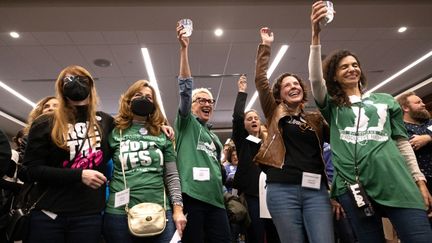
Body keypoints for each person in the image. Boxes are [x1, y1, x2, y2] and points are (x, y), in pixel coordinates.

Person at [308, 1, 432, 242]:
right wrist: (315, 33)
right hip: (353, 187)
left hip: (396, 181)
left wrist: (420, 181)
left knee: (420, 237)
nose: (351, 69)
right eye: (344, 67)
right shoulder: (332, 106)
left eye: (355, 65)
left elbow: (402, 143)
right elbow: (314, 80)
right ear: (334, 75)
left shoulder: (385, 100)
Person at [253, 27, 334, 243]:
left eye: (296, 83)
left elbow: (339, 143)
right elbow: (261, 81)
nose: (293, 86)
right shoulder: (274, 112)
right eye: (287, 85)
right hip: (282, 189)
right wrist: (266, 47)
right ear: (279, 94)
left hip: (316, 190)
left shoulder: (315, 119)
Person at [21, 65, 115, 243]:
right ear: (61, 88)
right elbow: (30, 170)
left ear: (91, 86)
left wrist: (161, 126)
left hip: (89, 215)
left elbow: (130, 129)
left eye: (81, 79)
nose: (76, 83)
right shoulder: (45, 122)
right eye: (69, 80)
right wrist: (79, 175)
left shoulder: (106, 122)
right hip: (49, 213)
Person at [103, 79, 187, 242]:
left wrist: (178, 210)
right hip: (119, 213)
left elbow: (172, 176)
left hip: (160, 211)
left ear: (154, 104)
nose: (144, 99)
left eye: (149, 97)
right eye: (138, 95)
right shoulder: (114, 131)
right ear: (128, 100)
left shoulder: (163, 134)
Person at [174, 22, 231, 243]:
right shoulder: (186, 123)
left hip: (216, 200)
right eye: (202, 100)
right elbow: (185, 89)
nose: (207, 104)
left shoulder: (215, 138)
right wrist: (184, 49)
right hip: (192, 198)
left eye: (210, 101)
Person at [231, 75, 280, 243]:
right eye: (249, 118)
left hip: (273, 193)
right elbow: (237, 118)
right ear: (244, 125)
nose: (253, 120)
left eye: (256, 118)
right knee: (256, 235)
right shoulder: (242, 142)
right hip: (252, 196)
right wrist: (242, 92)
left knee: (275, 234)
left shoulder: (270, 142)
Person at [397, 92, 432, 215]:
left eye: (422, 101)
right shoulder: (400, 129)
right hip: (423, 181)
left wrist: (427, 138)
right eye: (418, 103)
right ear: (405, 108)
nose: (423, 104)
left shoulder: (429, 123)